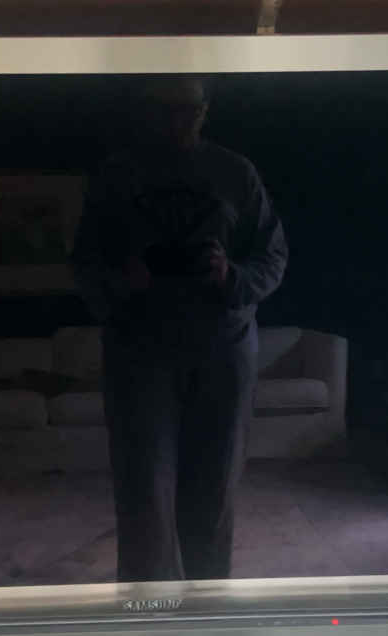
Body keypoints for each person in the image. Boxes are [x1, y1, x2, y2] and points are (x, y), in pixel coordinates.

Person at [70, 76, 288, 582]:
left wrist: (229, 275)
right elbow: (83, 264)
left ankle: (208, 604)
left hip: (223, 349)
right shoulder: (116, 174)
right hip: (139, 351)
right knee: (143, 490)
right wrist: (125, 279)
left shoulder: (237, 173)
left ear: (205, 110)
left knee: (215, 487)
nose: (177, 121)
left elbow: (273, 258)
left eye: (188, 109)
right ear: (146, 112)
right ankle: (149, 606)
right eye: (165, 110)